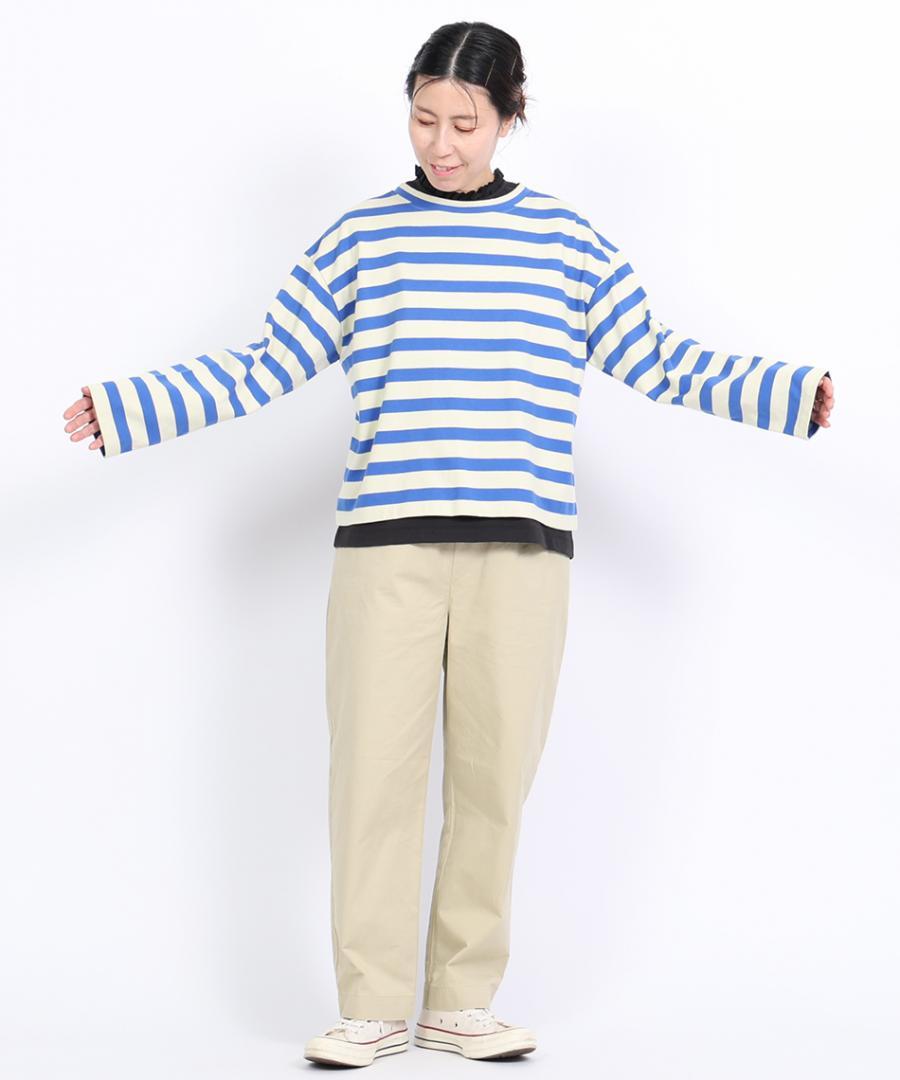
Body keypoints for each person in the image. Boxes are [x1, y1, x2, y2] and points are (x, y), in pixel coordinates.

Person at [61, 20, 835, 1070]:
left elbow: (657, 357)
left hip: (524, 553)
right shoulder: (361, 239)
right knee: (370, 781)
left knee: (493, 782)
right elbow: (263, 363)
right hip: (386, 549)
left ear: (511, 116)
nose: (441, 143)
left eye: (465, 123)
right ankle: (372, 1005)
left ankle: (462, 1002)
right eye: (424, 119)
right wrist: (125, 409)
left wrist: (787, 392)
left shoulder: (565, 242)